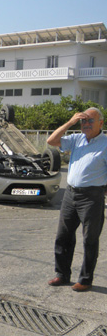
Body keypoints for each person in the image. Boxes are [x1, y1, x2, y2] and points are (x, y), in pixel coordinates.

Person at [46, 107, 107, 292]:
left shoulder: (105, 143)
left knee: (90, 239)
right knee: (63, 237)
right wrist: (70, 122)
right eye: (83, 120)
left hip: (92, 197)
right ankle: (62, 275)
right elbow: (52, 140)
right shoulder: (76, 139)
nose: (86, 124)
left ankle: (85, 279)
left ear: (101, 123)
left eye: (90, 120)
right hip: (70, 195)